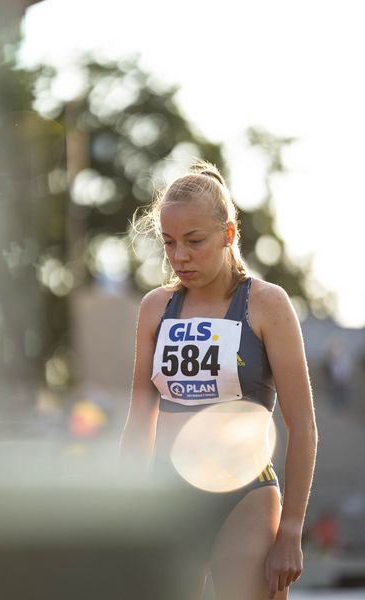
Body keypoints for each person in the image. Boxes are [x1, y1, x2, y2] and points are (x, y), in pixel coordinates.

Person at [119, 159, 318, 600]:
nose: (179, 256)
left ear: (228, 234)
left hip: (244, 496)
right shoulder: (155, 308)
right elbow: (138, 420)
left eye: (194, 241)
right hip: (167, 493)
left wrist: (291, 531)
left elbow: (302, 426)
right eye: (168, 243)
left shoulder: (267, 305)